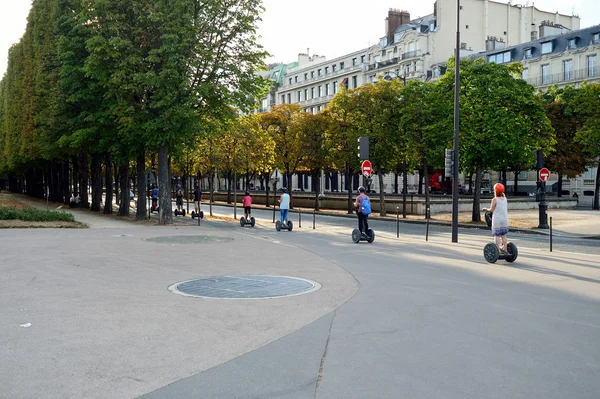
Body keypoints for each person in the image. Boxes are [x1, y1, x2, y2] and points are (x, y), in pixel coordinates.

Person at [482, 183, 509, 253]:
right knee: (503, 234)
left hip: (497, 219)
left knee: (497, 234)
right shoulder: (505, 199)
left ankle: (497, 250)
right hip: (505, 219)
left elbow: (491, 210)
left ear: (495, 191)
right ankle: (505, 249)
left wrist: (486, 209)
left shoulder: (494, 199)